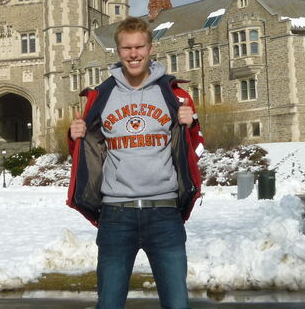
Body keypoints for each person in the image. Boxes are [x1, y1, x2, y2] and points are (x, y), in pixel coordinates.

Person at [68, 16, 204, 309]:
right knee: (109, 305)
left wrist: (191, 124)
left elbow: (197, 151)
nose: (133, 54)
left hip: (164, 213)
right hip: (117, 215)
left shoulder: (175, 96)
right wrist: (73, 136)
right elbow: (85, 153)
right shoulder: (101, 97)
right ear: (118, 52)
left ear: (150, 48)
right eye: (127, 48)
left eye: (139, 47)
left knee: (178, 305)